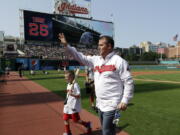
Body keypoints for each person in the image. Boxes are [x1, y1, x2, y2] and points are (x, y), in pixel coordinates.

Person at [59, 33, 134, 135]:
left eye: (101, 45)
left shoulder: (119, 62)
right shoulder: (96, 60)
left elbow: (128, 82)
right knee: (108, 130)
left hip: (113, 104)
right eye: (98, 45)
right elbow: (79, 56)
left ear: (109, 46)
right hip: (100, 104)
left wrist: (125, 100)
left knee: (107, 131)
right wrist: (66, 45)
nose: (98, 47)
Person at [63, 70, 92, 135]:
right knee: (65, 119)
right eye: (65, 77)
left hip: (74, 106)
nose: (65, 78)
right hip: (67, 105)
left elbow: (79, 96)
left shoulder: (76, 85)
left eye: (67, 77)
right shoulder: (68, 84)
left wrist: (72, 94)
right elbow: (69, 94)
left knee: (76, 120)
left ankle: (87, 124)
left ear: (71, 77)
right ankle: (68, 132)